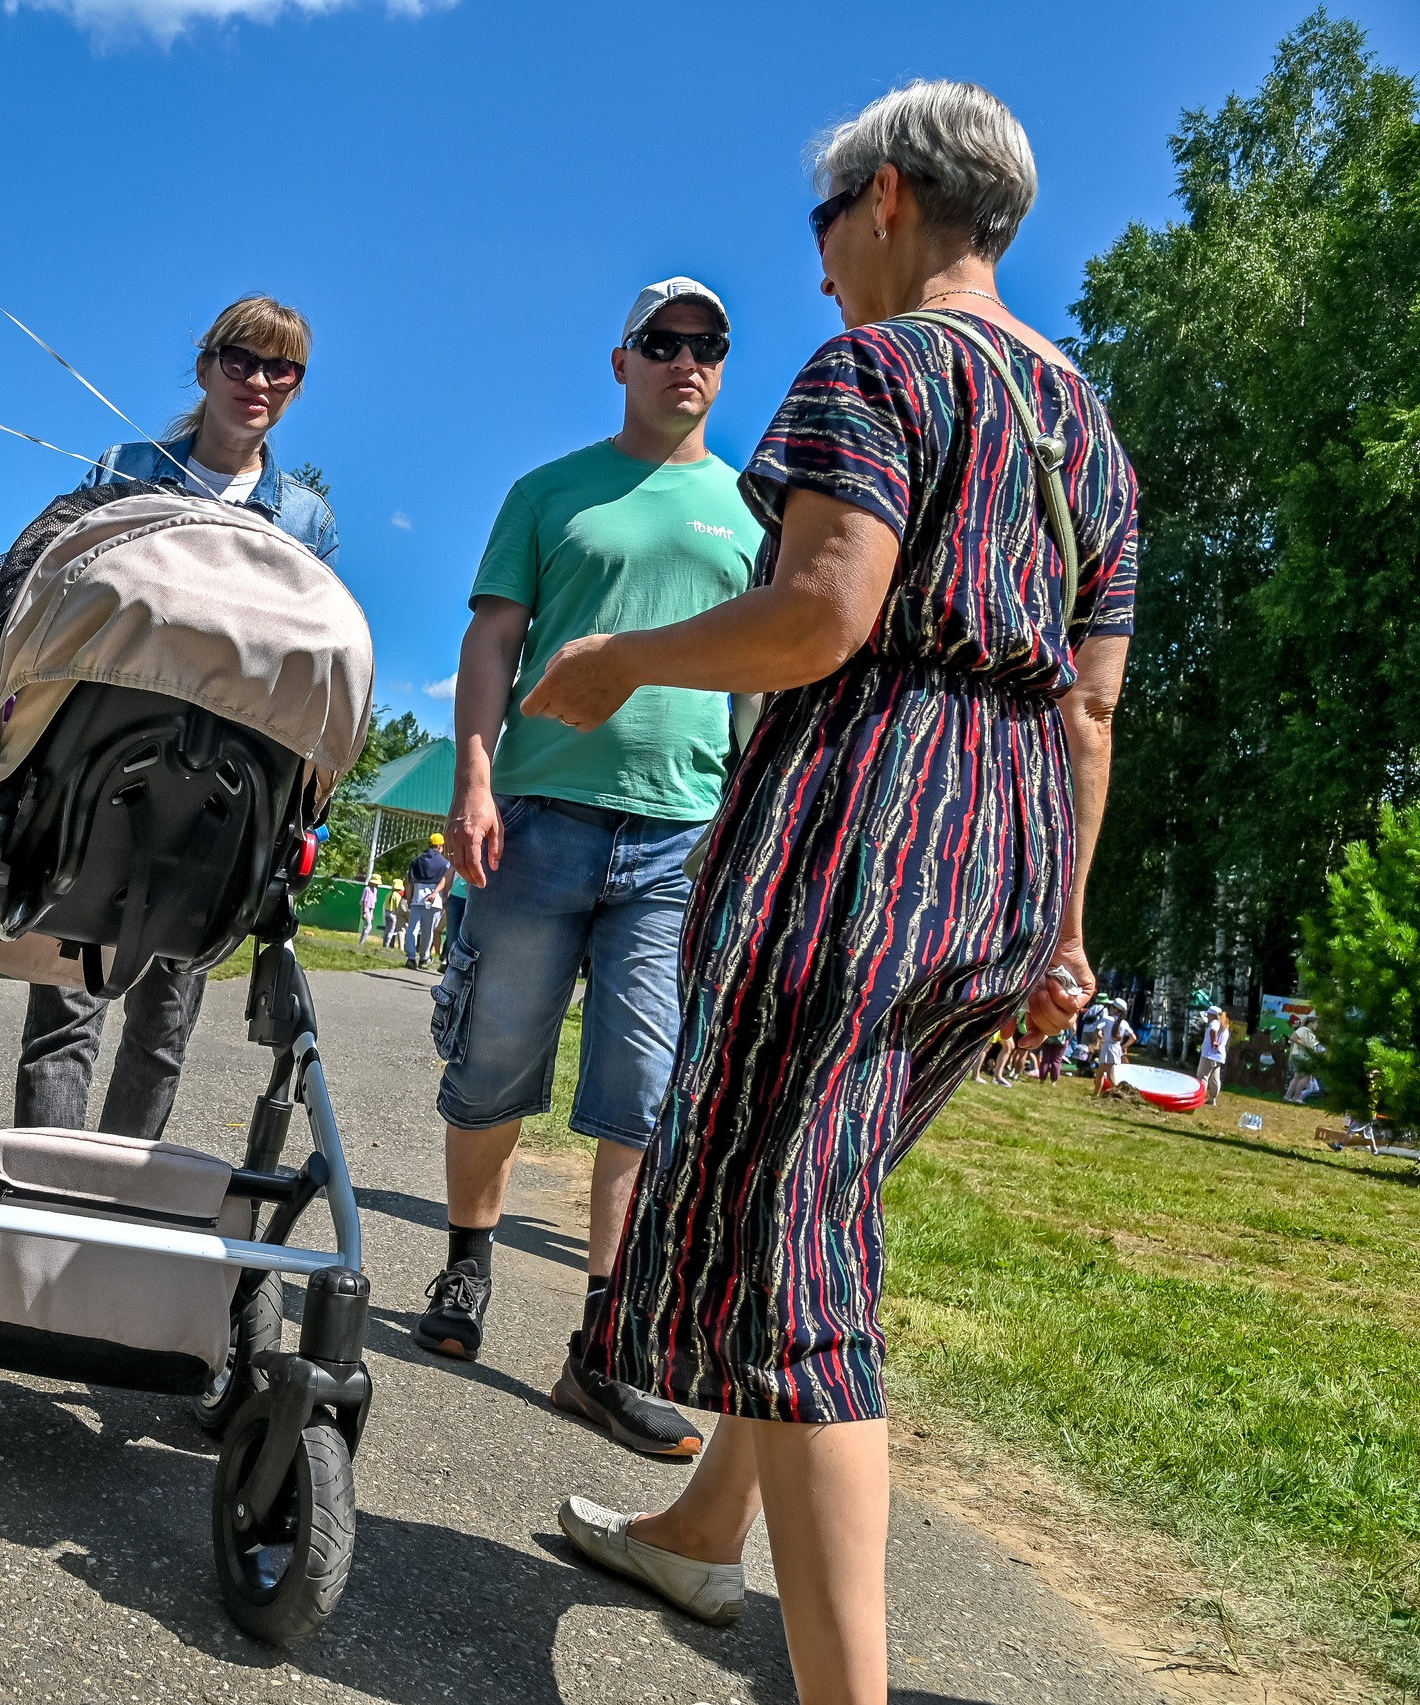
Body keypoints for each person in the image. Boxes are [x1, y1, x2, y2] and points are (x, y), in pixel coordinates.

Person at [537, 83, 1136, 1701]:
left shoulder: (882, 366)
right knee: (812, 1200)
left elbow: (820, 615)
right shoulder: (1089, 429)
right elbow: (1091, 708)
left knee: (803, 1258)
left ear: (883, 199)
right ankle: (702, 1529)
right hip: (1003, 862)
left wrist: (617, 664)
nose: (812, 274)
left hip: (865, 838)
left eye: (820, 229)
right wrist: (1063, 930)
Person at [414, 276, 759, 1472]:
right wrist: (471, 776)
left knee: (641, 1088)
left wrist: (750, 826)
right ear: (621, 361)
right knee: (495, 1056)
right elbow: (491, 640)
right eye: (662, 343)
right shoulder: (548, 491)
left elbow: (762, 678)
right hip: (539, 820)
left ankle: (601, 1350)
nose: (686, 362)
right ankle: (465, 1266)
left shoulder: (748, 511)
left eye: (707, 346)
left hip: (678, 838)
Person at [12, 295, 338, 1144]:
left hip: (225, 780)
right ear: (205, 367)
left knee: (162, 1024)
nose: (258, 381)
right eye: (240, 359)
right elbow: (62, 584)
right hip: (103, 752)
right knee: (66, 1005)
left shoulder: (304, 520)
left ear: (297, 387)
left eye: (281, 368)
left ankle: (113, 1206)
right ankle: (49, 1187)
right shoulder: (128, 467)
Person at [403, 834, 451, 970]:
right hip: (435, 901)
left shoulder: (416, 860)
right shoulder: (445, 864)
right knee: (428, 931)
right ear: (441, 846)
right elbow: (446, 883)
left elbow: (409, 882)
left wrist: (409, 898)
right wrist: (444, 899)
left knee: (412, 929)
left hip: (417, 899)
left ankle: (411, 957)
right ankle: (424, 958)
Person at [1092, 1001, 1133, 1096]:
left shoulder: (1107, 1019)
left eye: (1112, 1007)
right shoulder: (1124, 1023)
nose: (1110, 1008)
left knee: (1107, 1075)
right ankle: (1096, 1094)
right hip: (1116, 1047)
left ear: (1116, 1010)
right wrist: (1124, 1046)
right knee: (1101, 1074)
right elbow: (1133, 1037)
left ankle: (1120, 1094)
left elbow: (1097, 1030)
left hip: (1108, 1048)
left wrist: (1100, 1038)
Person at [1284, 1019, 1324, 1104]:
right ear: (1311, 1023)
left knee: (1297, 1077)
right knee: (1306, 1077)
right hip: (1301, 1056)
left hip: (1302, 1056)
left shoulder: (1309, 1032)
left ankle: (1288, 1096)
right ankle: (1297, 1097)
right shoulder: (1303, 1030)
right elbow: (1293, 1038)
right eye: (1316, 1023)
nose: (1317, 1025)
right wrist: (1304, 1047)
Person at [1198, 1005, 1228, 1106]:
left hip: (1209, 1054)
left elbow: (1213, 1031)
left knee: (1203, 1076)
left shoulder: (1214, 1023)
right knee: (1215, 1079)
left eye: (1209, 1014)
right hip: (1219, 1055)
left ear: (1212, 1015)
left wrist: (1213, 1042)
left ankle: (1199, 1097)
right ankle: (1213, 1099)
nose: (1208, 1015)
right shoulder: (1224, 1025)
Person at [357, 871, 382, 946]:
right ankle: (362, 942)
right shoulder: (367, 889)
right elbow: (364, 901)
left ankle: (362, 942)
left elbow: (374, 902)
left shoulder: (375, 890)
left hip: (371, 909)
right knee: (369, 926)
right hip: (366, 908)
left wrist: (372, 913)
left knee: (367, 926)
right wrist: (364, 912)